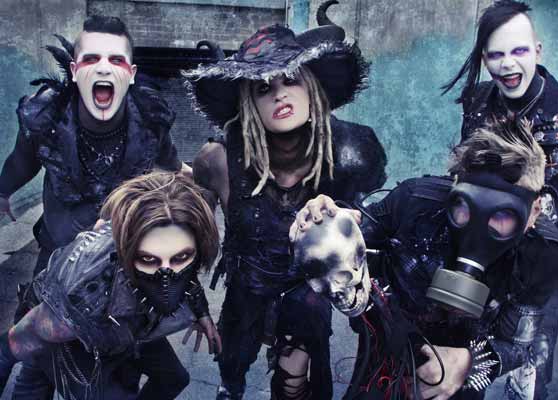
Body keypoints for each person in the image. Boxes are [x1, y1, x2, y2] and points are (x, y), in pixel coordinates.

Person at [183, 2, 387, 399]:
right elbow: (192, 234)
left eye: (290, 80)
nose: (279, 95)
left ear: (312, 87)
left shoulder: (350, 151)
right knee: (232, 363)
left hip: (306, 290)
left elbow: (369, 227)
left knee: (295, 382)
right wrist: (194, 303)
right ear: (249, 103)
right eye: (263, 88)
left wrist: (344, 221)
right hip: (247, 283)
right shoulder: (219, 160)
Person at [291, 117, 558, 399]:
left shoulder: (542, 252)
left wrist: (469, 363)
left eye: (503, 215)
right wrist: (326, 219)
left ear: (534, 212)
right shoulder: (414, 202)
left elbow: (518, 344)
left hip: (463, 361)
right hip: (389, 342)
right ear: (455, 188)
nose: (479, 228)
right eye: (467, 206)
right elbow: (351, 233)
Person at [441, 1, 558, 397]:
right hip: (480, 259)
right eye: (496, 54)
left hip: (539, 266)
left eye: (519, 51)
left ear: (537, 51)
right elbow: (463, 176)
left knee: (527, 380)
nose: (508, 64)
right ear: (484, 58)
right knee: (460, 369)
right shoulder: (477, 100)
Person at [0, 171, 221, 399]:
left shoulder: (174, 250)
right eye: (149, 259)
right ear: (126, 254)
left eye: (181, 257)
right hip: (78, 332)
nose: (167, 276)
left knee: (174, 378)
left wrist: (201, 311)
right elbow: (8, 348)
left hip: (129, 324)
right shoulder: (78, 299)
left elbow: (184, 273)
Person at [0, 15, 190, 278]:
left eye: (116, 60)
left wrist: (204, 177)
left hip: (123, 255)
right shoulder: (44, 117)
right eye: (91, 59)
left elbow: (173, 164)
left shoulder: (150, 119)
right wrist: (3, 192)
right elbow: (22, 162)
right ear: (74, 71)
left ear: (131, 74)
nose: (103, 68)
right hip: (58, 256)